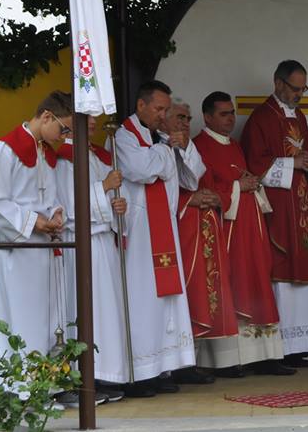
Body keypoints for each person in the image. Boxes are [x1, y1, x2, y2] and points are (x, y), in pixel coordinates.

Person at [192, 91, 290, 376]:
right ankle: (228, 359)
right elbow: (204, 189)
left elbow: (240, 178)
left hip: (250, 228)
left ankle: (264, 355)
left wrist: (250, 182)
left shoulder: (234, 145)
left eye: (232, 112)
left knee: (257, 280)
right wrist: (238, 187)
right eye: (223, 114)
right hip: (226, 231)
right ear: (207, 117)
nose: (230, 119)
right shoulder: (199, 146)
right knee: (233, 285)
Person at [241, 60, 308, 367]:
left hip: (301, 210)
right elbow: (254, 163)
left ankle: (299, 347)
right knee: (280, 274)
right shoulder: (261, 119)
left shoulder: (298, 116)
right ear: (278, 83)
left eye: (303, 89)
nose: (299, 94)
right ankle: (278, 349)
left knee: (303, 272)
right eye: (294, 88)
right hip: (278, 213)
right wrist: (295, 163)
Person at [0, 91, 71, 371]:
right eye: (63, 129)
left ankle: (46, 384)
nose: (64, 137)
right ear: (46, 117)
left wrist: (56, 213)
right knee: (21, 315)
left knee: (47, 315)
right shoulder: (5, 150)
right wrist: (33, 222)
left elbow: (50, 197)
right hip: (17, 250)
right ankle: (20, 385)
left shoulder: (45, 152)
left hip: (43, 247)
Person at [115, 80, 198, 397]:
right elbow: (142, 170)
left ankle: (165, 367)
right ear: (141, 105)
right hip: (140, 231)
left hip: (164, 228)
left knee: (166, 303)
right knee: (142, 300)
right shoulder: (124, 136)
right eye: (159, 109)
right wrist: (165, 150)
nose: (164, 115)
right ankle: (141, 372)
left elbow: (192, 177)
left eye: (166, 110)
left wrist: (181, 146)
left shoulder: (161, 138)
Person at [54, 115, 129, 400]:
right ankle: (84, 377)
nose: (95, 122)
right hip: (82, 243)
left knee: (106, 312)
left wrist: (117, 205)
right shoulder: (64, 158)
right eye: (87, 116)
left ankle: (105, 374)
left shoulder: (95, 156)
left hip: (102, 242)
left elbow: (105, 201)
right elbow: (68, 203)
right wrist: (105, 188)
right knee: (87, 309)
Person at [162, 101, 237, 380]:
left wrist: (184, 148)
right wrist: (188, 200)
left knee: (195, 293)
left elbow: (195, 176)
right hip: (167, 229)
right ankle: (173, 366)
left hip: (190, 229)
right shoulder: (153, 143)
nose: (185, 122)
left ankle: (188, 361)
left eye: (188, 118)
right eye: (180, 117)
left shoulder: (186, 143)